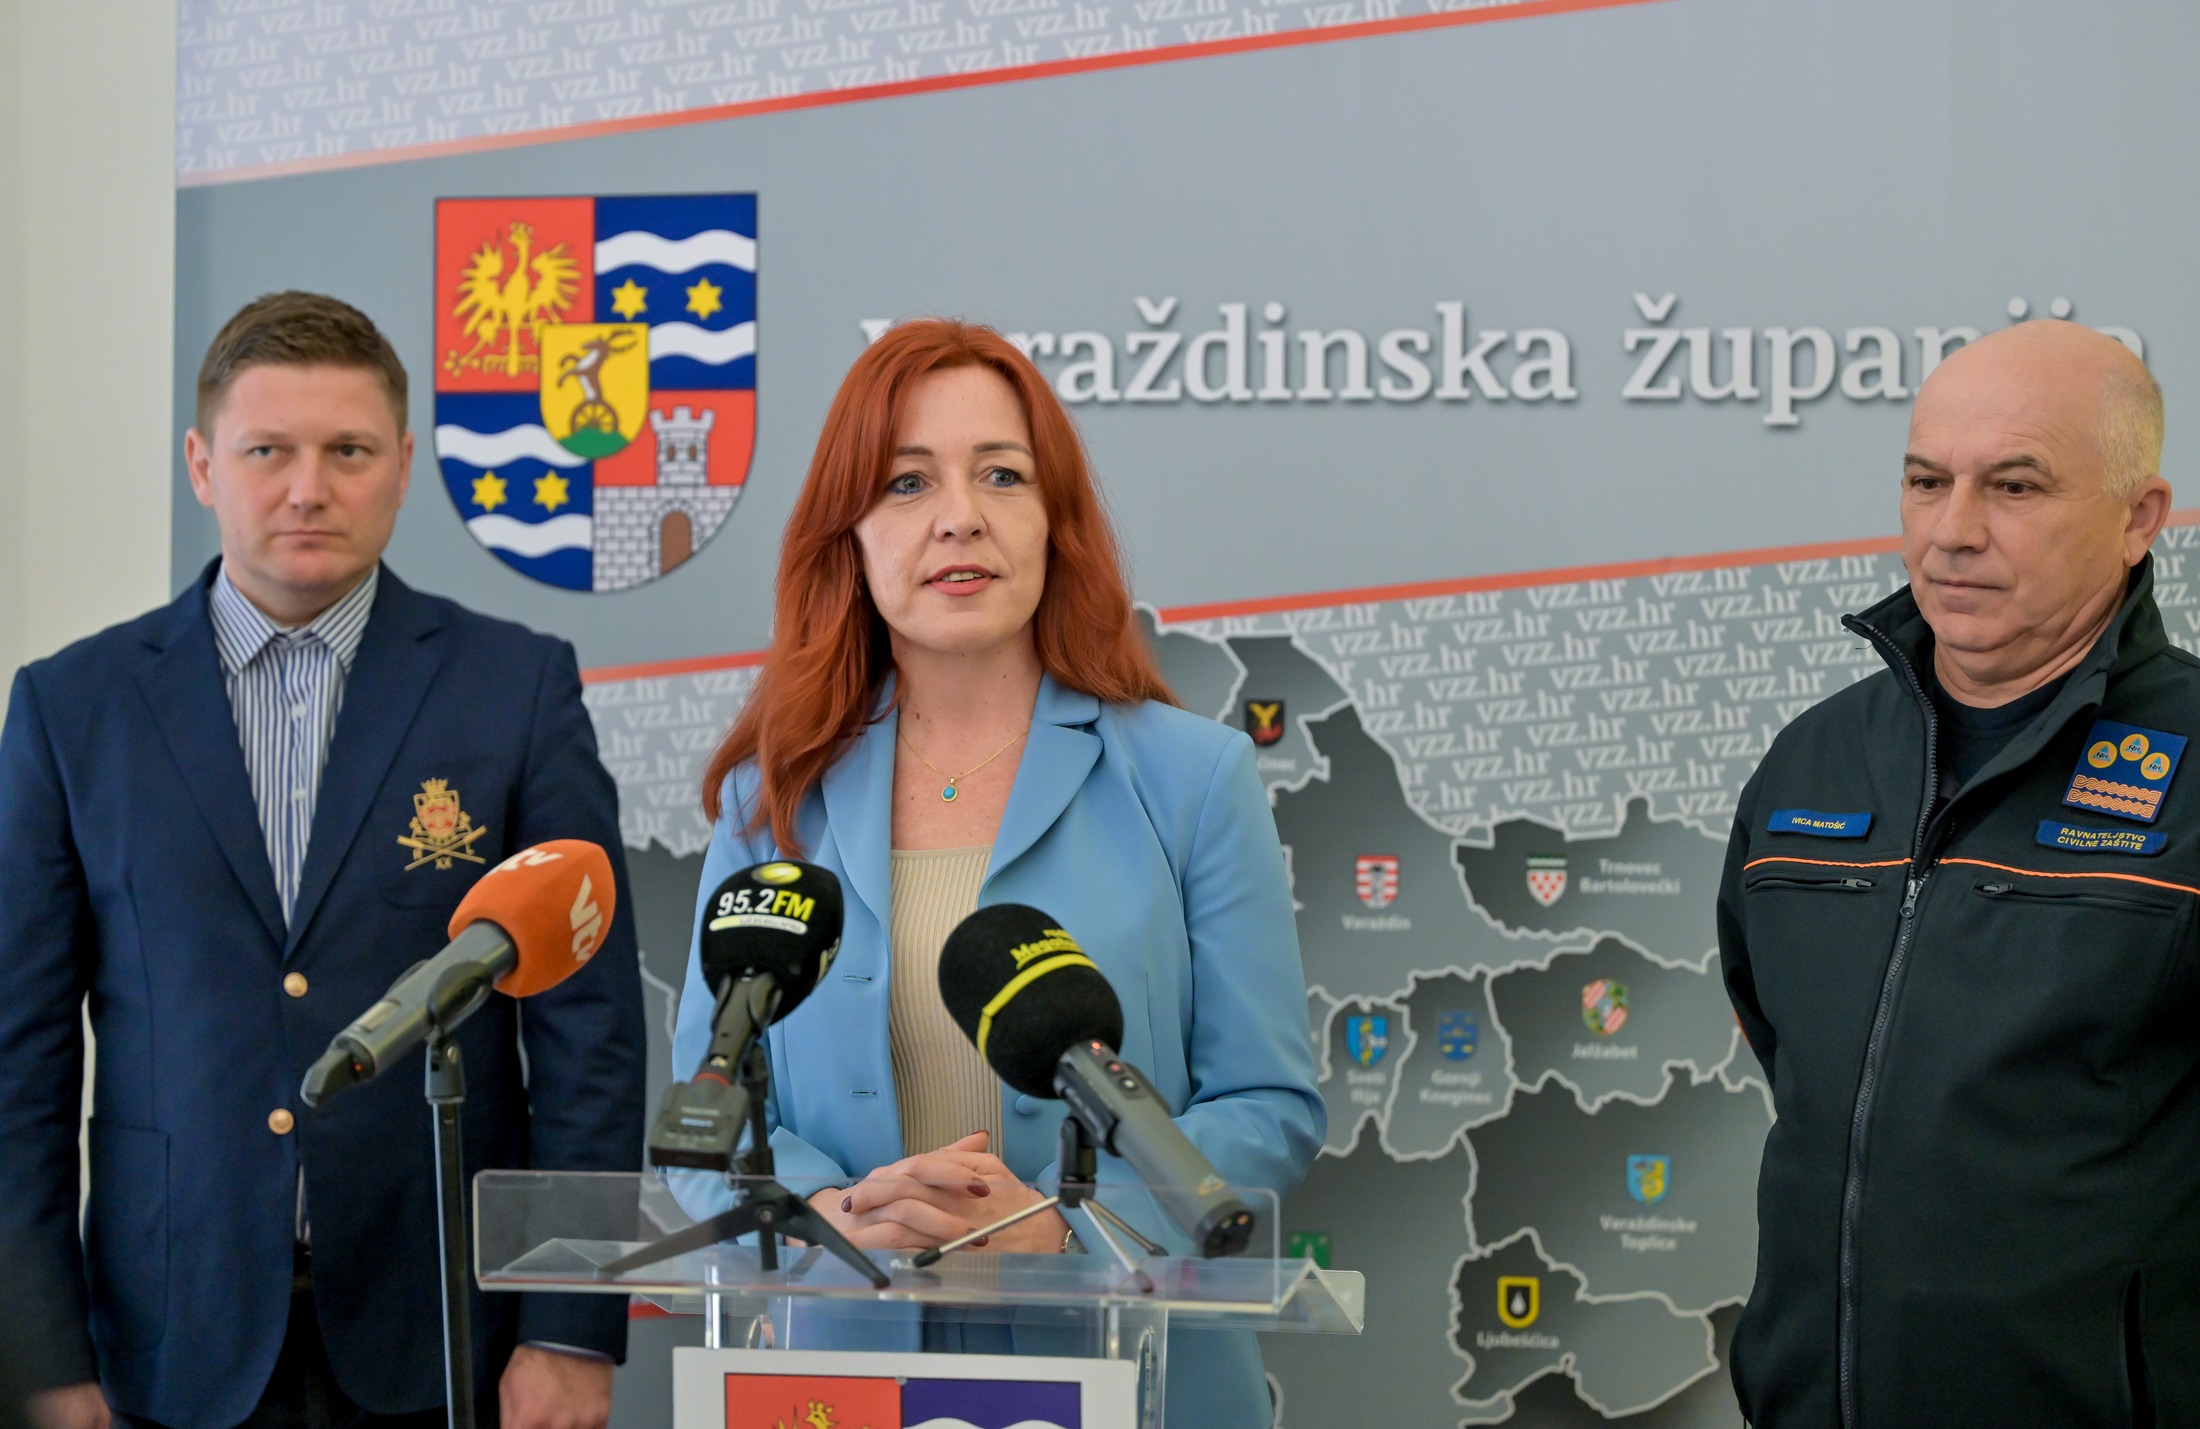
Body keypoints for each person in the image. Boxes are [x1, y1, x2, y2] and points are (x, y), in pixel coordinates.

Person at [0, 293, 647, 1429]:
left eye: (348, 450)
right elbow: (21, 1060)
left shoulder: (515, 688)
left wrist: (568, 1325)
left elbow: (589, 1037)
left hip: (445, 1337)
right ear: (203, 465)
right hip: (165, 1338)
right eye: (268, 451)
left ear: (402, 465)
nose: (308, 488)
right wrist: (41, 1356)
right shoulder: (72, 708)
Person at [669, 319, 1323, 1427]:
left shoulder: (1193, 776)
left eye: (1002, 475)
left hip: (1132, 1368)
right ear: (849, 536)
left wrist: (1063, 1227)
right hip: (846, 1369)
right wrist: (827, 1214)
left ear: (1055, 521)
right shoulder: (770, 799)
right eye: (907, 481)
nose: (959, 515)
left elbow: (1268, 1104)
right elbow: (708, 1106)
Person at [1718, 319, 2196, 1427]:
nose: (1952, 531)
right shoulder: (1813, 758)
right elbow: (1786, 1047)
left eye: (2014, 487)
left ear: (2139, 518)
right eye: (1926, 481)